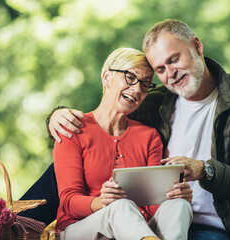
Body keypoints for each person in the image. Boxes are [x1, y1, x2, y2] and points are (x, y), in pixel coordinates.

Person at [21, 19, 230, 240]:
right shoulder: (155, 100)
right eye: (160, 70)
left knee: (174, 206)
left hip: (213, 226)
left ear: (197, 47)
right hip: (140, 227)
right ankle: (17, 222)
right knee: (122, 207)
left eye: (174, 59)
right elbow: (99, 127)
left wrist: (204, 170)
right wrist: (56, 116)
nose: (170, 74)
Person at [48, 47, 193, 240]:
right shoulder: (73, 129)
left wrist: (173, 194)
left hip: (135, 228)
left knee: (179, 206)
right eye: (130, 77)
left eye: (145, 85)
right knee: (120, 205)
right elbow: (69, 201)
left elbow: (152, 203)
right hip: (79, 229)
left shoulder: (149, 136)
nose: (137, 90)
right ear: (107, 77)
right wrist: (101, 202)